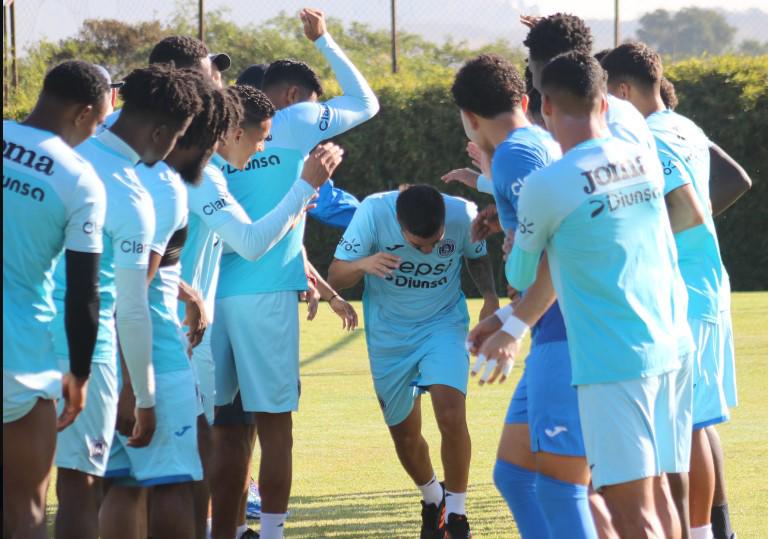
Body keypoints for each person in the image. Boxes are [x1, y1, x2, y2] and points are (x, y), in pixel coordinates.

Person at [209, 8, 379, 539]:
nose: (318, 110)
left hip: (210, 295)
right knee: (275, 426)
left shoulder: (210, 133)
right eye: (311, 99)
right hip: (266, 294)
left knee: (222, 428)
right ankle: (274, 532)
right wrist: (323, 39)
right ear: (287, 98)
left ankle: (227, 530)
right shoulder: (297, 120)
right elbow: (365, 102)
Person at [501, 50, 684, 538]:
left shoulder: (546, 183)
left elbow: (520, 273)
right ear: (604, 102)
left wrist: (515, 241)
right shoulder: (643, 154)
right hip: (668, 344)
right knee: (662, 499)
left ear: (545, 110)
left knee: (630, 513)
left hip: (612, 361)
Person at [450, 52, 606, 539]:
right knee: (514, 475)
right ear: (522, 99)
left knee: (565, 487)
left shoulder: (516, 153)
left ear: (469, 118)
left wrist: (515, 323)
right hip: (551, 330)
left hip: (562, 333)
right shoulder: (537, 140)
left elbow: (552, 253)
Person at [49, 63, 202, 539]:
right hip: (89, 358)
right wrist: (145, 396)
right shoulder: (137, 192)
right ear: (161, 131)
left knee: (31, 488)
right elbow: (130, 307)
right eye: (177, 136)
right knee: (87, 491)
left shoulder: (64, 155)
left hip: (24, 342)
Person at [601, 41, 739, 539]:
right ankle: (714, 530)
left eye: (605, 96)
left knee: (687, 425)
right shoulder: (685, 126)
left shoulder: (650, 138)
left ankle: (700, 532)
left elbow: (687, 211)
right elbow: (734, 181)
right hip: (703, 286)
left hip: (682, 293)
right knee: (699, 422)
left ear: (620, 90)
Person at [328, 184, 497, 538]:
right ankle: (433, 499)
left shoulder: (461, 214)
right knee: (405, 435)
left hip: (443, 323)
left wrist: (490, 298)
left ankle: (457, 516)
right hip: (390, 334)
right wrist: (363, 264)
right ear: (398, 223)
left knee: (451, 413)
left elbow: (477, 256)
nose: (430, 251)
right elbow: (336, 276)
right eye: (419, 246)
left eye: (436, 242)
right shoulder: (373, 212)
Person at [3, 59, 109, 538]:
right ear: (84, 113)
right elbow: (83, 290)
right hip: (19, 359)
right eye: (101, 122)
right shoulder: (79, 178)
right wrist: (80, 374)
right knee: (25, 510)